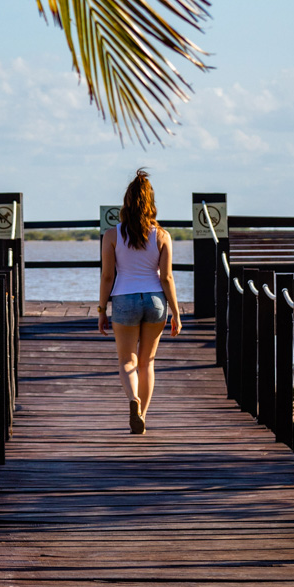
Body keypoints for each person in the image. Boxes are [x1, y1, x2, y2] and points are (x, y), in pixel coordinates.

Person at [97, 169, 181, 433]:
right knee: (147, 362)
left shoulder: (112, 235)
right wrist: (177, 314)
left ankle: (133, 400)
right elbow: (166, 277)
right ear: (151, 203)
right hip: (155, 300)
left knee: (126, 361)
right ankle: (142, 414)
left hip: (124, 299)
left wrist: (101, 310)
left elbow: (108, 276)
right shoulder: (162, 235)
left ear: (126, 202)